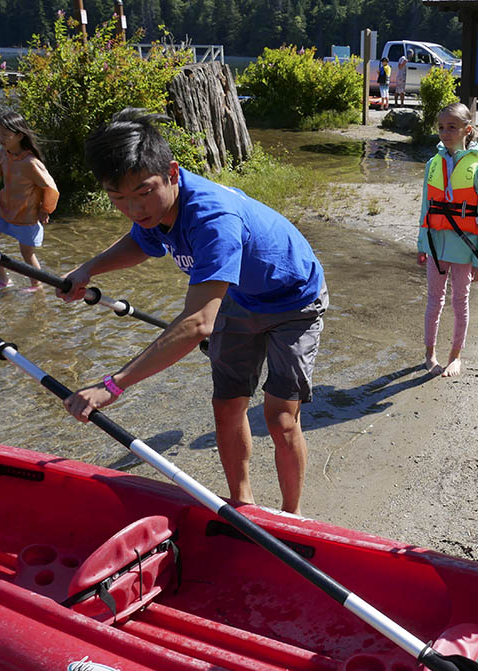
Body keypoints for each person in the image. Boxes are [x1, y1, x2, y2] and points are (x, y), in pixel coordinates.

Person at [59, 108, 327, 515]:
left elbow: (198, 323)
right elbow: (141, 243)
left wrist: (113, 384)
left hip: (295, 300)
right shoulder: (153, 209)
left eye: (143, 192)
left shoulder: (213, 219)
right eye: (118, 198)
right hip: (238, 296)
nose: (133, 209)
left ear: (172, 172)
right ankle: (244, 506)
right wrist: (89, 269)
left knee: (279, 418)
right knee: (227, 406)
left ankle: (293, 518)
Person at [417, 102, 478, 377]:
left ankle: (455, 356)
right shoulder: (433, 164)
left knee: (459, 301)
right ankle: (429, 354)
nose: (445, 132)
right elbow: (426, 207)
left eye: (452, 127)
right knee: (433, 300)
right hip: (435, 245)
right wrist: (421, 244)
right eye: (441, 127)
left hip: (465, 249)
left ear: (467, 129)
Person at [0, 111, 59, 292]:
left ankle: (36, 287)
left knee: (27, 254)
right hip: (3, 209)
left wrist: (45, 210)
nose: (1, 138)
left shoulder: (31, 163)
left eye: (6, 135)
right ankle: (3, 279)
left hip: (26, 214)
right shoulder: (2, 154)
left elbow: (50, 188)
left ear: (20, 135)